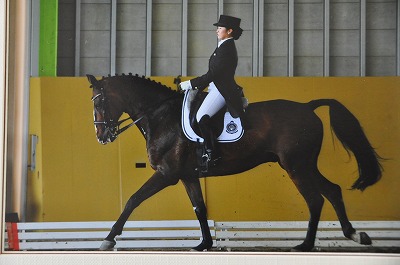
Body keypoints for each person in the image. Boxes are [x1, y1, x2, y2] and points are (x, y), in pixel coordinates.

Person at [180, 15, 244, 171]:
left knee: (202, 118)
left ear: (229, 31)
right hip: (215, 87)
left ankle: (212, 154)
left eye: (220, 28)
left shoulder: (227, 48)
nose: (217, 30)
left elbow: (214, 74)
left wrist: (191, 83)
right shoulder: (223, 45)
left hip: (222, 89)